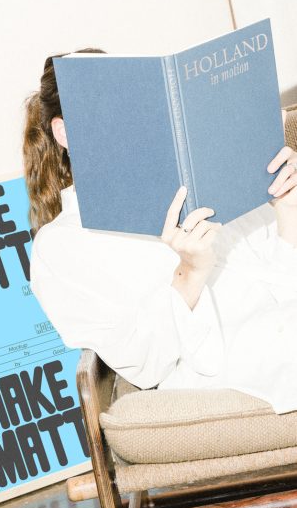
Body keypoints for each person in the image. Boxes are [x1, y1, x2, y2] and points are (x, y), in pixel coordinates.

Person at [24, 50, 297, 414]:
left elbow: (282, 272)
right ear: (64, 131)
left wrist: (288, 208)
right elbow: (144, 363)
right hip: (233, 368)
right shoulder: (61, 246)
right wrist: (189, 272)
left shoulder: (200, 179)